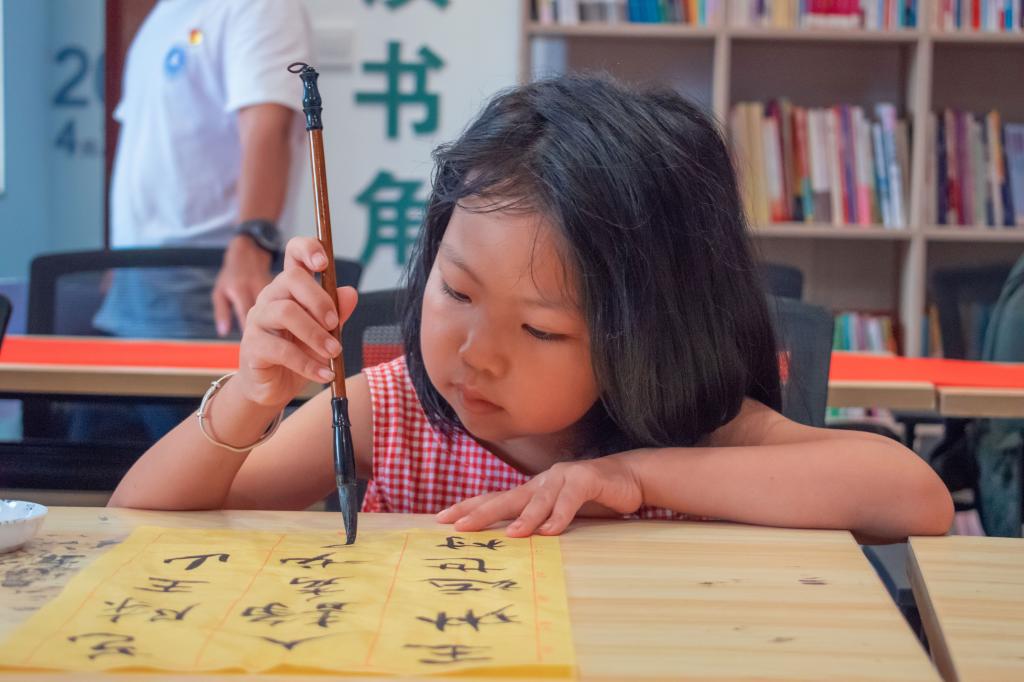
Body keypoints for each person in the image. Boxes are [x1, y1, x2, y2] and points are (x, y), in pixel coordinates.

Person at [108, 75, 953, 542]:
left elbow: (914, 496)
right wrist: (252, 394)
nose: (475, 353)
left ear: (645, 333)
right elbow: (138, 518)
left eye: (542, 328)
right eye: (454, 290)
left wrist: (634, 474)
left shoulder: (695, 432)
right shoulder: (394, 412)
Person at [95, 0, 313, 341]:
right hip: (137, 274)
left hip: (208, 274)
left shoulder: (260, 6)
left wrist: (254, 241)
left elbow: (268, 129)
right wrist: (120, 260)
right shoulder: (166, 14)